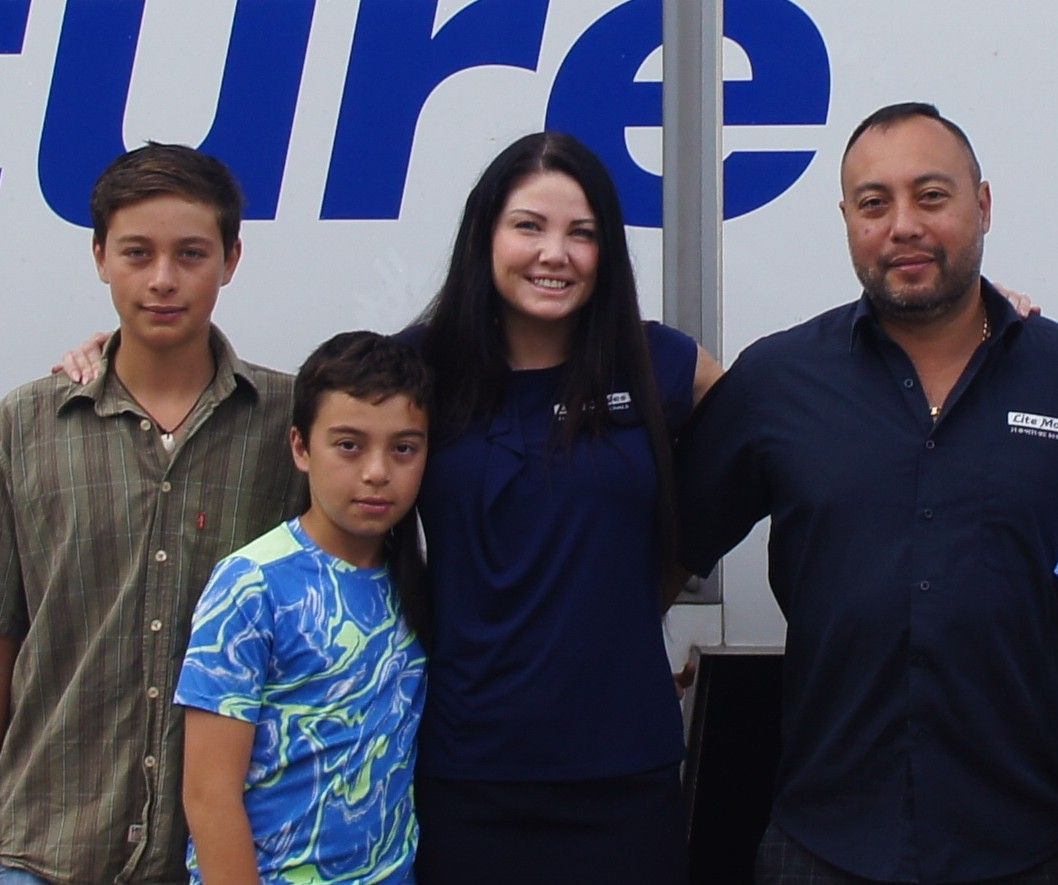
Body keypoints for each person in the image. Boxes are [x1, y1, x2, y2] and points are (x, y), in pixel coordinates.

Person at [676, 102, 1058, 883]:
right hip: (823, 843)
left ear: (982, 205)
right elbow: (664, 546)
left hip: (1024, 843)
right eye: (875, 203)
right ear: (848, 219)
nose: (903, 225)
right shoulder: (779, 382)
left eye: (932, 196)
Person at [403, 132, 721, 884]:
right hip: (466, 770)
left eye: (583, 233)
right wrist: (110, 356)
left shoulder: (659, 363)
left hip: (623, 771)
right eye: (529, 226)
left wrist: (967, 325)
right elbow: (312, 431)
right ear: (485, 235)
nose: (556, 253)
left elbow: (785, 422)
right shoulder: (420, 366)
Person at [0, 143, 306, 883]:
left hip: (226, 853)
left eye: (191, 253)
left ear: (232, 258)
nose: (163, 279)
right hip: (49, 845)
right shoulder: (27, 425)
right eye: (137, 252)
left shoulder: (292, 425)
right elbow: (6, 638)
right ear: (100, 255)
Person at [175, 331, 429, 884]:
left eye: (403, 448)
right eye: (349, 445)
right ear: (300, 448)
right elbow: (208, 794)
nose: (377, 472)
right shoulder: (252, 585)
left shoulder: (420, 584)